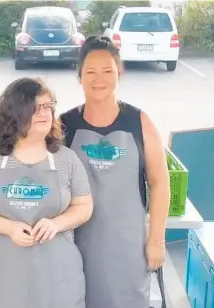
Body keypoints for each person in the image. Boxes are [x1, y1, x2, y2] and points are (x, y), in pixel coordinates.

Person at [60, 35, 170, 308]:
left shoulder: (139, 122)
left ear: (119, 72)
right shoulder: (63, 125)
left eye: (107, 71)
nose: (99, 79)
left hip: (129, 247)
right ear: (80, 76)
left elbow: (160, 182)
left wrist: (156, 239)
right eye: (91, 72)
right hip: (77, 246)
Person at [0, 77, 93, 308]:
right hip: (3, 277)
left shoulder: (67, 160)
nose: (44, 113)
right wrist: (9, 228)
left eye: (47, 106)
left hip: (57, 276)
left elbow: (84, 206)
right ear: (14, 113)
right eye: (35, 108)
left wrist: (58, 223)